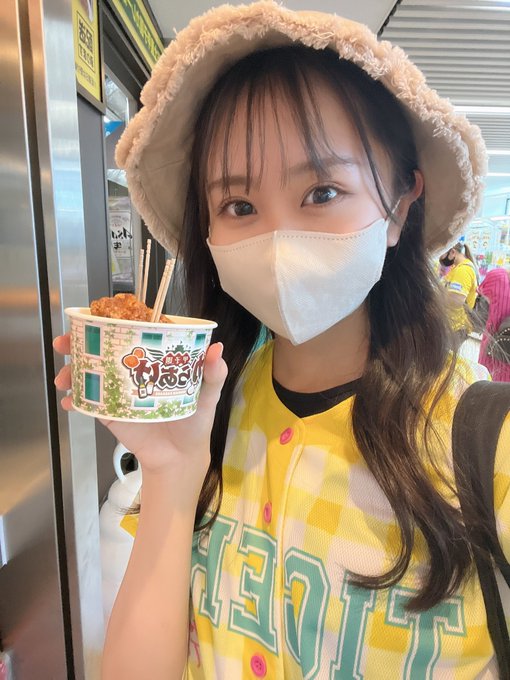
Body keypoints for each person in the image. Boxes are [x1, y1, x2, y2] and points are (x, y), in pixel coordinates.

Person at [53, 2, 509, 678]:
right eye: (238, 206)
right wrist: (172, 470)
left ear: (399, 205)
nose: (277, 239)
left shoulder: (489, 447)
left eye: (322, 192)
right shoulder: (210, 414)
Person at [439, 241, 479, 340]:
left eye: (442, 255)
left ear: (453, 252)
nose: (442, 259)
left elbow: (455, 301)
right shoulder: (457, 268)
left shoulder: (464, 270)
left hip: (455, 327)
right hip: (450, 325)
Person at [478, 267, 510, 382]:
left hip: (494, 350)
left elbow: (483, 308)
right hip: (495, 352)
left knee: (486, 386)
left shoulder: (498, 276)